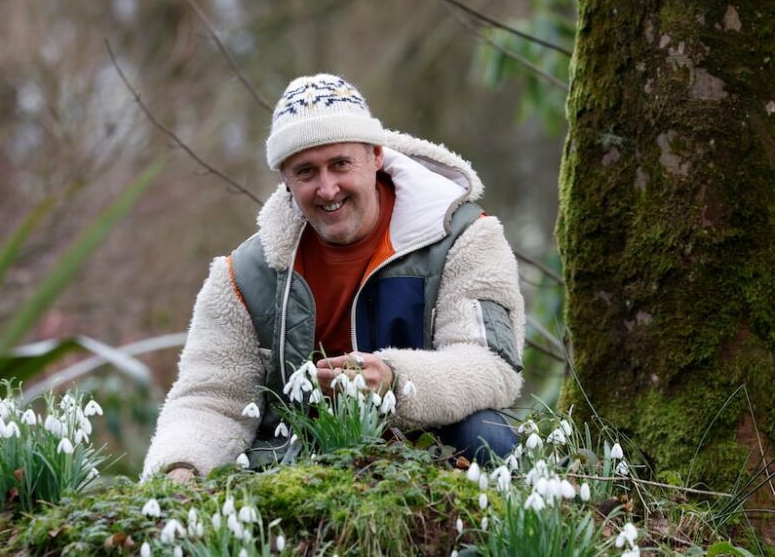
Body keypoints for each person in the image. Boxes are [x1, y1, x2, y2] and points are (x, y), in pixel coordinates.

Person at [142, 73, 524, 482]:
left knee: (488, 436)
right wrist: (181, 468)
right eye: (306, 172)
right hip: (299, 471)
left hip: (427, 453)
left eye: (340, 164)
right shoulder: (244, 277)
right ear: (285, 179)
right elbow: (210, 399)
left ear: (375, 155)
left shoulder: (463, 236)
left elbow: (491, 366)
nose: (327, 189)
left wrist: (396, 382)